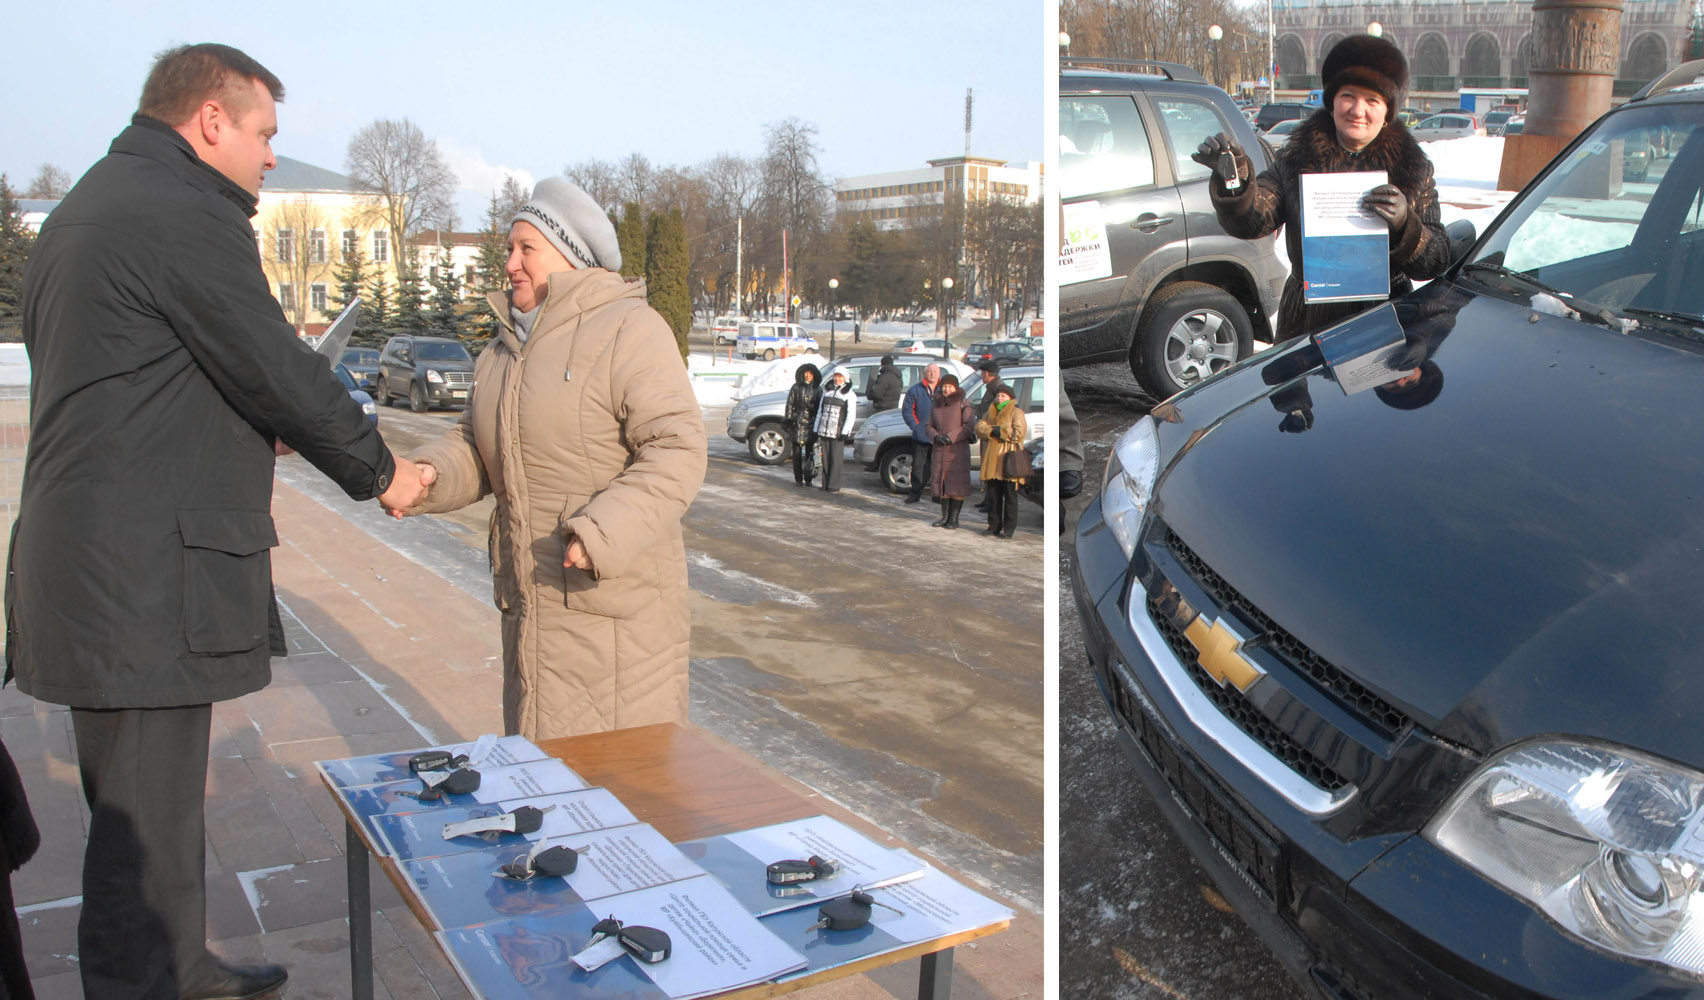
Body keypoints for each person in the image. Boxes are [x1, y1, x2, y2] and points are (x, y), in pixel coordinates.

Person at [9, 43, 428, 1000]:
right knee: (137, 835)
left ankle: (182, 966)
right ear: (209, 121)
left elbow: (136, 377)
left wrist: (229, 425)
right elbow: (272, 363)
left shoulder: (93, 203)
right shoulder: (183, 212)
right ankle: (144, 981)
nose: (272, 156)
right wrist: (380, 470)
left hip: (101, 563)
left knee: (154, 804)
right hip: (139, 579)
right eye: (263, 133)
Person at [405, 178, 707, 742]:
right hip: (532, 611)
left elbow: (678, 447)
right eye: (508, 250)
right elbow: (477, 441)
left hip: (612, 617)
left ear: (570, 257)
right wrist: (428, 474)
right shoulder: (502, 350)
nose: (511, 264)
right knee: (545, 782)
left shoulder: (629, 330)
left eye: (526, 249)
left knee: (616, 795)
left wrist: (600, 532)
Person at [1192, 34, 1453, 342]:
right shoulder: (1297, 158)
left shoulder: (1412, 169)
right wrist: (1233, 180)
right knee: (1302, 391)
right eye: (1348, 96)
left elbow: (1436, 260)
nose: (1357, 110)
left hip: (1382, 320)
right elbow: (1254, 219)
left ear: (1387, 113)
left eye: (1372, 100)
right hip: (1306, 323)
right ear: (1332, 103)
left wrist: (1406, 228)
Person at [976, 383, 1029, 538]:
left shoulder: (1016, 411)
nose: (999, 398)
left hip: (1009, 459)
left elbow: (1020, 432)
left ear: (1010, 398)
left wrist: (1001, 432)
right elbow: (979, 427)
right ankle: (993, 526)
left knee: (1010, 497)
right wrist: (991, 430)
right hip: (992, 460)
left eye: (1003, 396)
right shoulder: (990, 411)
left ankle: (1009, 528)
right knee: (993, 496)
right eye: (998, 396)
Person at [925, 373, 975, 529]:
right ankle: (944, 517)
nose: (946, 389)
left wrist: (950, 437)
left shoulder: (964, 403)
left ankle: (954, 519)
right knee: (943, 484)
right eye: (944, 386)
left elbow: (968, 426)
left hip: (957, 451)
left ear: (956, 388)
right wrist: (936, 436)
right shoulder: (936, 403)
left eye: (950, 386)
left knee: (957, 485)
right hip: (940, 450)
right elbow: (928, 425)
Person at [900, 363, 941, 505]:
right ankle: (915, 493)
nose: (932, 374)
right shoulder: (915, 390)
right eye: (929, 371)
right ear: (925, 374)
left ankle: (937, 494)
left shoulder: (945, 390)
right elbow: (907, 411)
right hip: (921, 436)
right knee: (918, 467)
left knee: (937, 467)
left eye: (935, 371)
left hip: (938, 437)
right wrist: (916, 427)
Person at [813, 368, 857, 492]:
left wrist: (845, 431)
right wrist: (816, 428)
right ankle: (825, 483)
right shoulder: (827, 392)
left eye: (840, 377)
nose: (837, 379)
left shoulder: (849, 394)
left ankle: (834, 484)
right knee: (825, 458)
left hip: (837, 431)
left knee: (836, 458)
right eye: (836, 376)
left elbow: (850, 414)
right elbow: (820, 411)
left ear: (845, 378)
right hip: (824, 430)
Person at [784, 362, 823, 486]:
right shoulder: (796, 387)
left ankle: (809, 478)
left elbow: (821, 408)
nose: (808, 376)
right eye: (806, 373)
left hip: (811, 423)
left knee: (810, 452)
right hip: (798, 422)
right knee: (796, 453)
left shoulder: (818, 389)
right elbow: (790, 404)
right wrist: (789, 420)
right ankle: (798, 478)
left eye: (810, 373)